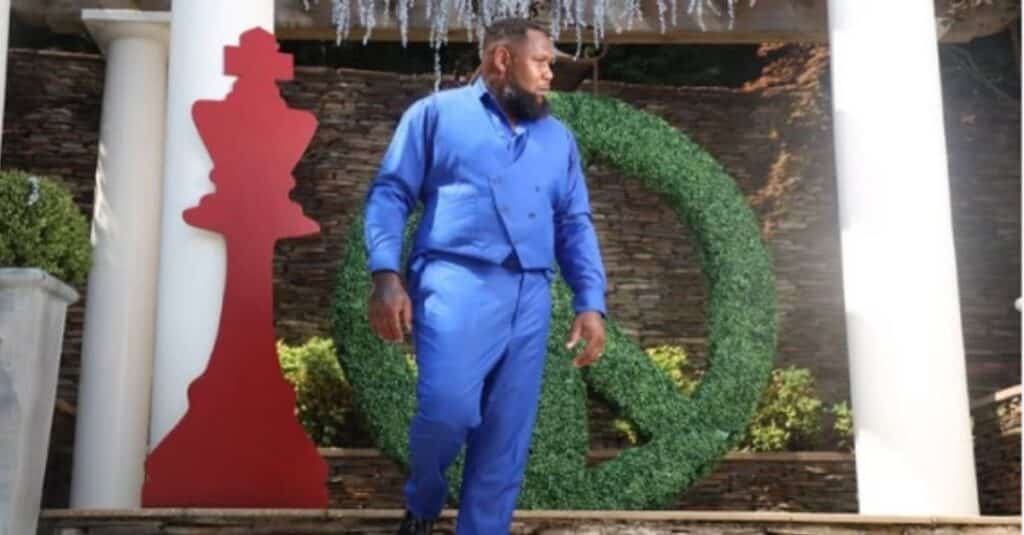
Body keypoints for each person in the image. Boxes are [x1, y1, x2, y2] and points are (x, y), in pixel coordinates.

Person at [363, 17, 608, 535]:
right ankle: (424, 499)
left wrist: (590, 301)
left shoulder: (558, 138)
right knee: (447, 409)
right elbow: (391, 194)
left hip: (531, 293)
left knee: (505, 434)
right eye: (541, 62)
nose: (549, 74)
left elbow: (574, 223)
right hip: (454, 282)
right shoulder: (434, 115)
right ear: (502, 60)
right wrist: (386, 272)